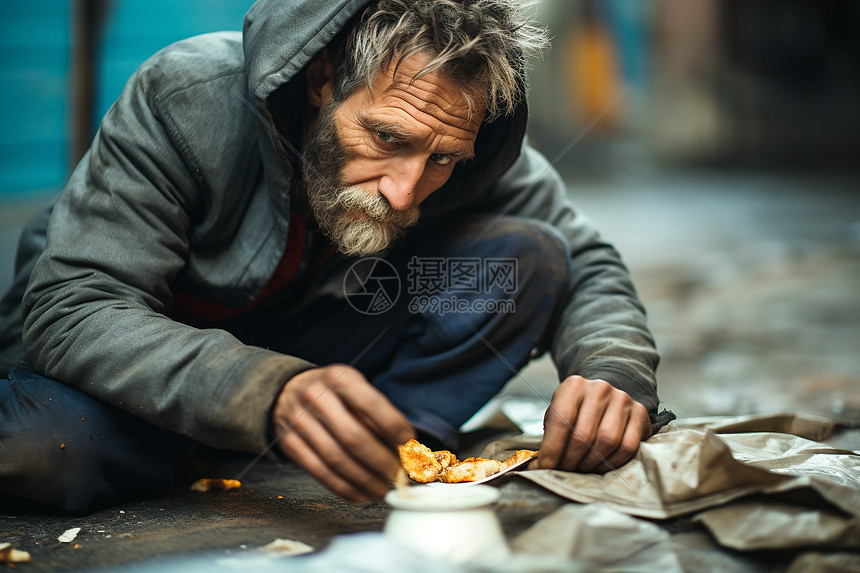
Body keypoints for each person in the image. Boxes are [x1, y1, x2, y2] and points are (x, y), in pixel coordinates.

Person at [0, 0, 673, 513]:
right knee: (43, 449)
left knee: (534, 257)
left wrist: (612, 371)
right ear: (323, 77)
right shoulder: (185, 98)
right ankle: (265, 436)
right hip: (129, 374)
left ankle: (375, 447)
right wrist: (265, 391)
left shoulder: (467, 136)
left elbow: (586, 259)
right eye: (385, 137)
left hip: (309, 344)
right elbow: (73, 309)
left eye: (440, 158)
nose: (406, 189)